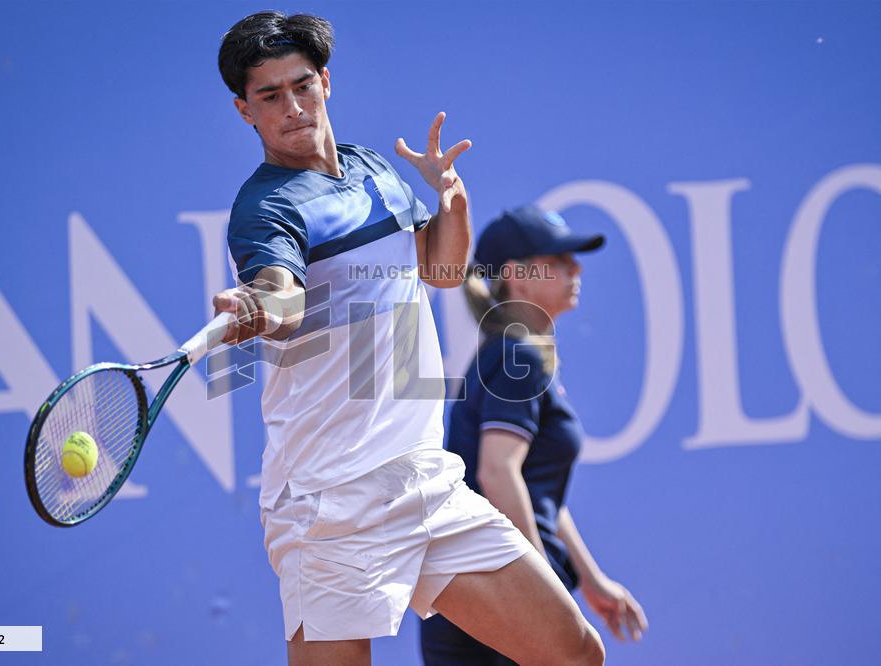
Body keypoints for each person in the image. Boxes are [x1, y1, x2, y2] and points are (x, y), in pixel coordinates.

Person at [211, 12, 604, 666]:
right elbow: (282, 295)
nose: (293, 108)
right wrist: (259, 305)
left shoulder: (373, 170)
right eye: (270, 96)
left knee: (573, 652)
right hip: (328, 505)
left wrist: (453, 200)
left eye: (302, 86)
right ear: (244, 109)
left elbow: (441, 271)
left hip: (425, 481)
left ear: (325, 82)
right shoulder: (264, 209)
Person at [420, 206, 649, 665]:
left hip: (493, 586)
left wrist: (590, 580)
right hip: (497, 591)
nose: (575, 269)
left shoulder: (517, 354)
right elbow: (498, 472)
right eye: (558, 259)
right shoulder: (517, 357)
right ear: (516, 276)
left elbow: (537, 491)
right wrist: (541, 587)